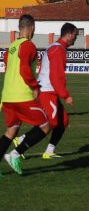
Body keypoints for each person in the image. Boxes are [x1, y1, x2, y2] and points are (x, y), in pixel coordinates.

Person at [13, 23, 77, 159]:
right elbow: (56, 76)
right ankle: (18, 148)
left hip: (48, 90)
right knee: (50, 123)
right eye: (75, 35)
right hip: (48, 91)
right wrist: (65, 96)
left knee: (63, 120)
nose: (76, 38)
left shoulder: (55, 47)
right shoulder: (58, 49)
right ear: (69, 34)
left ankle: (49, 151)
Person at [0, 14, 51, 175]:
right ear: (32, 27)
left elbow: (9, 70)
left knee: (11, 130)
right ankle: (15, 154)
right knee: (45, 126)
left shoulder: (12, 47)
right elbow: (24, 70)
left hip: (7, 96)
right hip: (21, 96)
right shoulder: (29, 46)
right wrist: (35, 86)